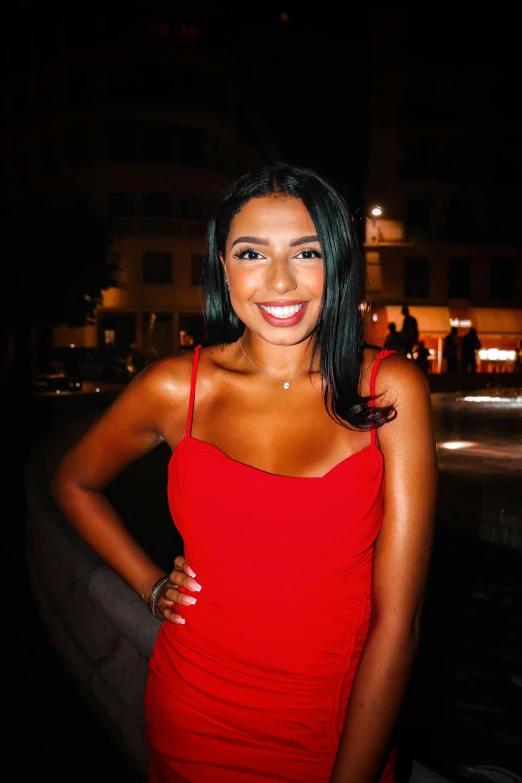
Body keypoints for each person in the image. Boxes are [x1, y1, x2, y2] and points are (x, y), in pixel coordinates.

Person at [51, 161, 437, 783]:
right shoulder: (177, 387)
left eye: (305, 252)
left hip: (337, 728)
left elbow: (401, 620)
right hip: (194, 718)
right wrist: (150, 584)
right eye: (252, 252)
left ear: (335, 264)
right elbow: (73, 481)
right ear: (223, 267)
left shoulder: (388, 389)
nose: (280, 281)